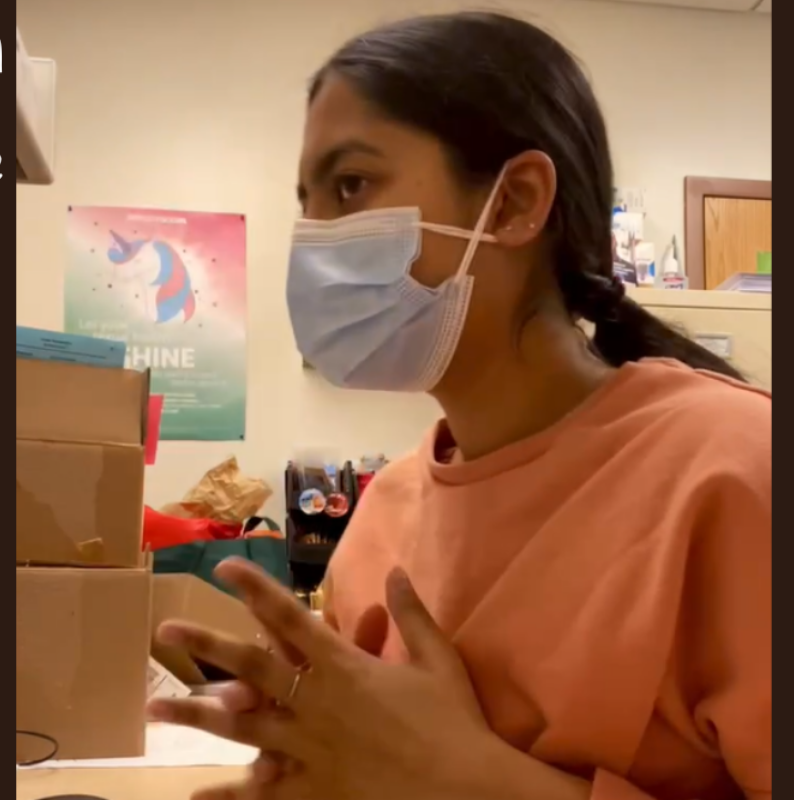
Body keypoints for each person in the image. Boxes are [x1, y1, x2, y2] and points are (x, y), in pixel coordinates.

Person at [147, 11, 771, 800]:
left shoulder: (736, 475)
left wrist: (468, 779)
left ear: (514, 202)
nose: (316, 241)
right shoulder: (385, 516)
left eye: (351, 187)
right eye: (309, 202)